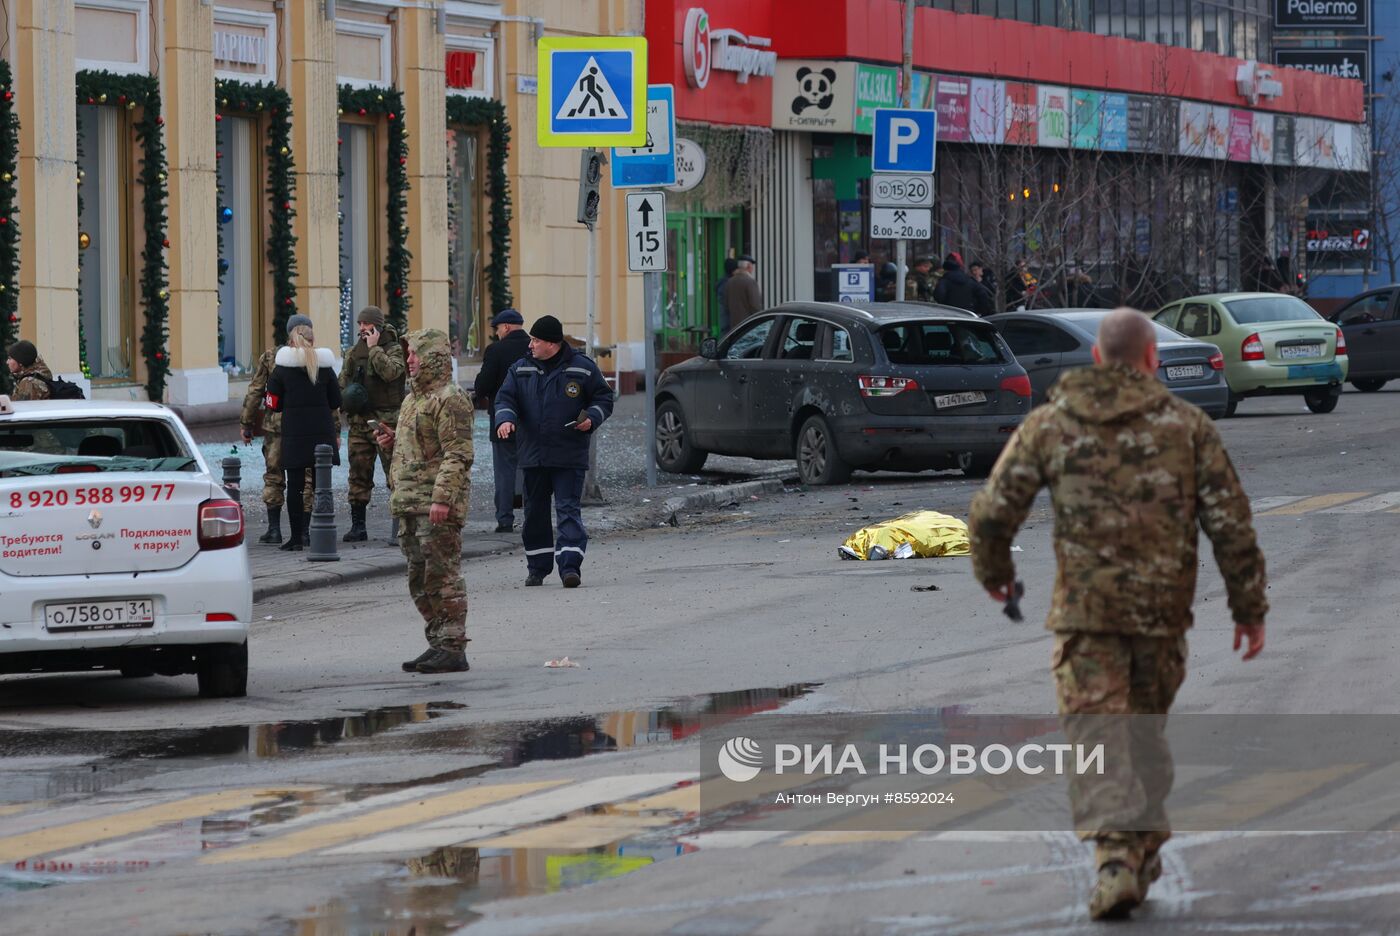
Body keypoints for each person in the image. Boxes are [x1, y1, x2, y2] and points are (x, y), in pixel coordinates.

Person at [967, 308, 1267, 921]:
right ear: (1152, 359)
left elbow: (994, 512)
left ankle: (1119, 859)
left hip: (1086, 619)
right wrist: (1248, 608)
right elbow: (1230, 522)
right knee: (1141, 736)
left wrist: (996, 576)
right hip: (1163, 624)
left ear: (1098, 359)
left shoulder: (1051, 424)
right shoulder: (1187, 427)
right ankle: (1130, 853)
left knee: (1101, 740)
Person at [372, 329, 474, 675]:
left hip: (435, 505)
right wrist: (391, 442)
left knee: (442, 576)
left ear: (432, 357)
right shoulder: (412, 400)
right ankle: (437, 642)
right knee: (419, 579)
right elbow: (420, 449)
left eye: (414, 354)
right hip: (410, 504)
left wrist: (443, 498)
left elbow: (457, 454)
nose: (409, 361)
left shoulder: (451, 398)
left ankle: (453, 646)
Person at [493, 315, 615, 588]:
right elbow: (505, 398)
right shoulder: (521, 368)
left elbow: (603, 397)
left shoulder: (583, 368)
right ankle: (537, 567)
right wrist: (506, 419)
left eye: (536, 340)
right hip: (533, 456)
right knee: (534, 512)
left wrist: (591, 418)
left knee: (568, 509)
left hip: (568, 453)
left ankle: (570, 566)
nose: (531, 344)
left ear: (552, 343)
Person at [265, 316, 341, 552]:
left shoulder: (281, 370)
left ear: (291, 340)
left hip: (294, 435)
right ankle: (319, 534)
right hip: (322, 435)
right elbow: (336, 401)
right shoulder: (326, 367)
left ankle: (297, 538)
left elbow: (273, 404)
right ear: (313, 339)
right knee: (321, 487)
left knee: (296, 487)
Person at [339, 306, 406, 542]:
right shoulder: (353, 352)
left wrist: (375, 349)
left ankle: (401, 524)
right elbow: (343, 382)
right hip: (359, 422)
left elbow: (391, 373)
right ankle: (358, 526)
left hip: (387, 422)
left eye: (366, 324)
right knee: (358, 473)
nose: (362, 329)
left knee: (394, 473)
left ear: (377, 326)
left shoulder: (394, 349)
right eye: (359, 325)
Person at [241, 342, 313, 545]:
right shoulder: (313, 357)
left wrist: (247, 423)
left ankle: (274, 530)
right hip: (304, 427)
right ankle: (304, 532)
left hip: (276, 427)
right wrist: (332, 429)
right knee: (306, 477)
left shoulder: (271, 356)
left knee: (274, 475)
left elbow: (256, 390)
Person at [473, 308, 531, 533]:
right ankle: (532, 517)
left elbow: (483, 386)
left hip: (502, 418)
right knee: (530, 469)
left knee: (504, 470)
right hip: (532, 420)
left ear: (506, 327)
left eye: (498, 329)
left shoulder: (496, 350)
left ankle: (505, 520)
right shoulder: (534, 347)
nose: (497, 333)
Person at [722, 255, 764, 326]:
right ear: (748, 266)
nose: (752, 268)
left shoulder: (730, 282)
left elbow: (726, 304)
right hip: (748, 324)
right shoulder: (750, 282)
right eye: (751, 266)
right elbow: (755, 306)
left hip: (734, 325)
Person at [715, 257, 740, 335]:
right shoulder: (727, 283)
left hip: (725, 317)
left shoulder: (722, 282)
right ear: (732, 270)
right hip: (728, 318)